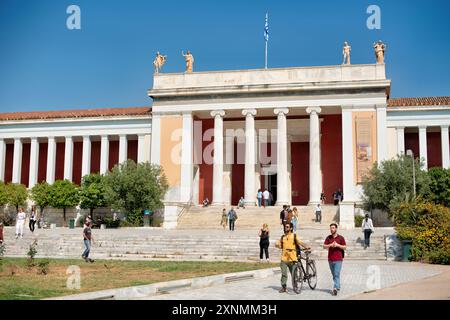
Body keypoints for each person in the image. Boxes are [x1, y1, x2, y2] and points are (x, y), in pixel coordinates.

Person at [275, 222, 310, 293]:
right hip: (284, 259)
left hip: (292, 259)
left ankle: (295, 286)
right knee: (284, 274)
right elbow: (280, 245)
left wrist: (306, 246)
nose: (286, 228)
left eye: (287, 227)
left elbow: (299, 242)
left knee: (294, 274)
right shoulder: (283, 237)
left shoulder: (294, 236)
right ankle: (284, 287)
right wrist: (276, 244)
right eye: (285, 227)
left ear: (291, 228)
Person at [323, 223, 347, 296]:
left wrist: (338, 245)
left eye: (333, 228)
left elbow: (345, 247)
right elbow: (324, 246)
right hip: (330, 259)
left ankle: (335, 288)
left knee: (336, 274)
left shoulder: (341, 238)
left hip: (338, 259)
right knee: (334, 274)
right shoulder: (328, 238)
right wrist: (330, 245)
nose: (331, 229)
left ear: (336, 229)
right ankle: (338, 285)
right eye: (330, 228)